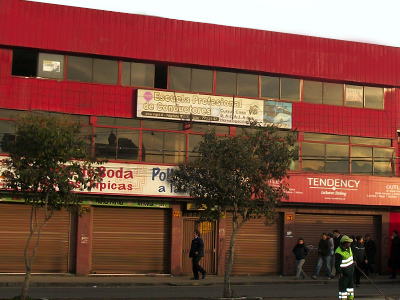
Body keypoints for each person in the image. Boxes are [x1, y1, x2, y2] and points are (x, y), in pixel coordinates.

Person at [335, 235, 355, 300]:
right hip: (343, 273)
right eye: (349, 242)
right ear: (345, 243)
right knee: (343, 289)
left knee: (350, 288)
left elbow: (351, 256)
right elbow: (337, 264)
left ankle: (350, 298)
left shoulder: (349, 248)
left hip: (350, 272)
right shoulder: (339, 252)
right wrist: (339, 272)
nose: (350, 243)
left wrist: (354, 261)